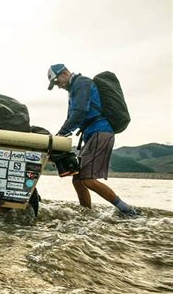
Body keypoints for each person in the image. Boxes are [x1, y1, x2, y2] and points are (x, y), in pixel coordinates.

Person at [47, 63, 137, 216]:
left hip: (100, 132)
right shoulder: (73, 91)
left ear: (64, 73)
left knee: (88, 179)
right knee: (77, 178)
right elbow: (71, 118)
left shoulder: (82, 84)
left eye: (57, 82)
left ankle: (127, 211)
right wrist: (58, 138)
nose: (58, 86)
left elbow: (79, 113)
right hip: (91, 134)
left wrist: (60, 135)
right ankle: (86, 214)